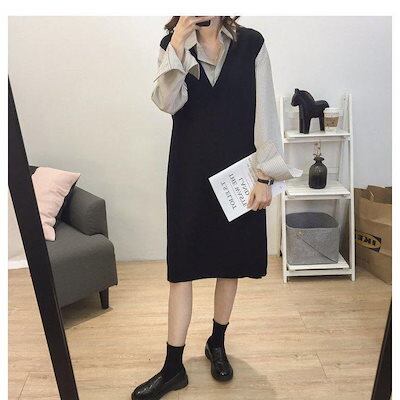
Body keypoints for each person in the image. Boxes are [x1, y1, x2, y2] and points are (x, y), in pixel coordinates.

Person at [132, 16, 296, 400]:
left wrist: (265, 177)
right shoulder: (172, 45)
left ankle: (216, 343)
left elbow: (264, 113)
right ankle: (173, 367)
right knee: (182, 269)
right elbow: (167, 103)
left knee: (230, 262)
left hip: (239, 175)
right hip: (188, 173)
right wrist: (177, 43)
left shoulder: (251, 44)